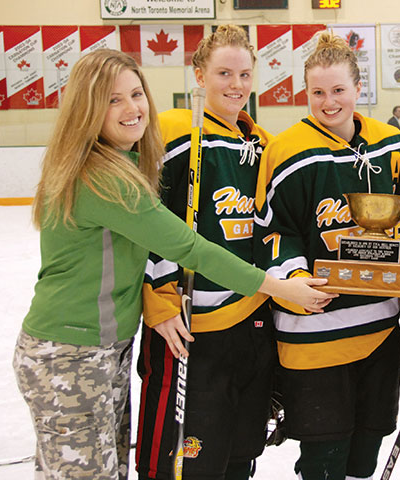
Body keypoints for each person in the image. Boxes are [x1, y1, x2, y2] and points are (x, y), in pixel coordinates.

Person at [12, 48, 333, 480]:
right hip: (70, 352)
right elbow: (191, 249)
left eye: (136, 93)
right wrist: (279, 288)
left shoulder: (123, 160)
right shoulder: (104, 178)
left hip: (104, 347)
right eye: (113, 99)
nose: (132, 109)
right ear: (88, 109)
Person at [136, 25, 307, 480]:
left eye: (245, 74)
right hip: (188, 324)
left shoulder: (262, 144)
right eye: (224, 73)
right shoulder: (173, 132)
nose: (236, 85)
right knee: (181, 459)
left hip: (250, 320)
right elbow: (145, 219)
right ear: (198, 75)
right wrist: (158, 296)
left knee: (238, 449)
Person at [252, 32, 400, 479]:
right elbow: (271, 232)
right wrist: (294, 281)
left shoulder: (393, 145)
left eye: (339, 90)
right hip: (314, 333)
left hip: (379, 326)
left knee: (366, 453)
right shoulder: (286, 150)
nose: (329, 102)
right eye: (318, 92)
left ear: (358, 89)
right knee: (324, 459)